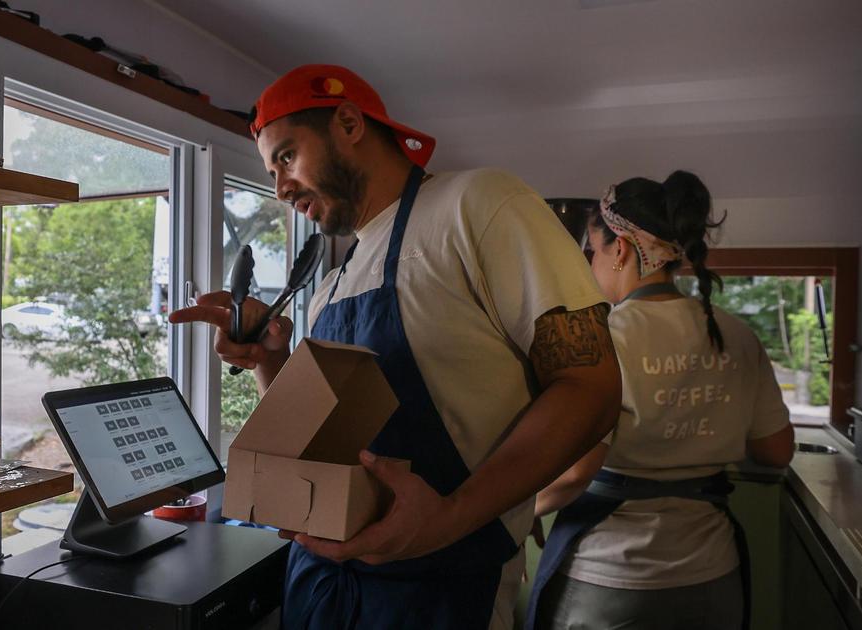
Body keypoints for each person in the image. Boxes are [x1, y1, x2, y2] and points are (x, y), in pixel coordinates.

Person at [169, 64, 621, 629]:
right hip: (319, 585)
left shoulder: (478, 204)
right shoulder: (333, 283)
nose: (279, 187)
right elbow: (322, 434)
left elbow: (591, 386)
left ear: (350, 123)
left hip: (441, 595)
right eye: (271, 170)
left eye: (286, 156)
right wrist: (272, 361)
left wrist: (448, 516)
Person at [525, 172, 796, 630]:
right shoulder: (737, 333)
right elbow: (776, 450)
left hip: (610, 577)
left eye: (593, 250)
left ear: (622, 250)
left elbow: (574, 472)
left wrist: (517, 511)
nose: (590, 262)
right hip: (712, 576)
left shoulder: (603, 338)